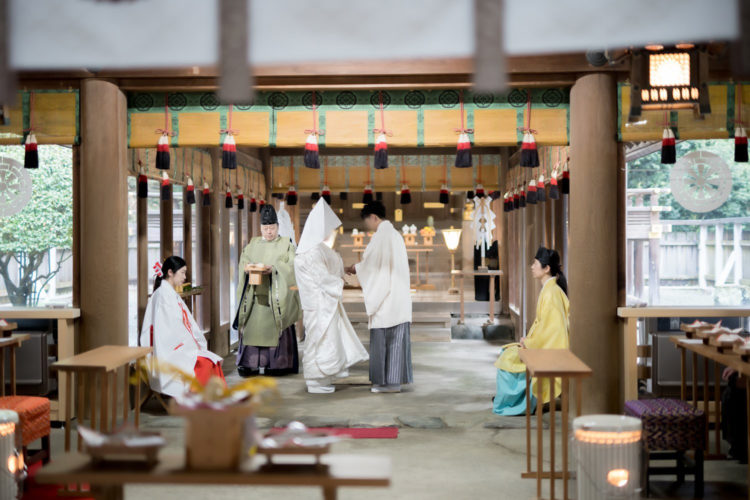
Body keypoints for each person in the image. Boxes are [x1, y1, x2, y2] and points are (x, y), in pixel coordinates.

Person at [295, 199, 369, 393]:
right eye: (328, 228)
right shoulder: (310, 251)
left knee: (328, 338)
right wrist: (340, 281)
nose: (330, 233)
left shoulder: (316, 247)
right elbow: (321, 278)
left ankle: (324, 377)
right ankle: (315, 379)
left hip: (324, 302)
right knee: (318, 339)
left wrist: (341, 272)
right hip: (318, 303)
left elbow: (331, 266)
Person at [345, 201, 412, 393]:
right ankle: (395, 382)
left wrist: (355, 268)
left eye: (367, 221)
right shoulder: (395, 235)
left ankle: (386, 383)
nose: (368, 226)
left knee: (385, 338)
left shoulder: (382, 237)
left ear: (374, 217)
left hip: (386, 297)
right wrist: (360, 268)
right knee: (397, 339)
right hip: (398, 295)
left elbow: (371, 265)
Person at [493, 246, 569, 415]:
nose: (532, 267)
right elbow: (544, 326)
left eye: (535, 263)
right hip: (540, 343)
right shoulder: (550, 289)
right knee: (506, 351)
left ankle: (514, 402)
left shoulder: (551, 293)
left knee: (508, 356)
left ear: (546, 268)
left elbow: (552, 331)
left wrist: (528, 342)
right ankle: (510, 398)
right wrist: (527, 340)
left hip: (548, 349)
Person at [140, 256, 225, 398]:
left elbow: (182, 324)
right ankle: (199, 400)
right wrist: (188, 345)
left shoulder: (170, 293)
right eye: (183, 273)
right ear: (170, 272)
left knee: (212, 360)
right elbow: (165, 332)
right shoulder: (162, 296)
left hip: (176, 345)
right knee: (205, 362)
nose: (185, 277)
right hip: (166, 350)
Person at [235, 203, 302, 377]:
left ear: (278, 227)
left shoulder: (286, 244)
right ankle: (250, 365)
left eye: (272, 228)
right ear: (260, 228)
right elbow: (243, 261)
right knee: (253, 329)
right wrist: (248, 267)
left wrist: (275, 269)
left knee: (275, 328)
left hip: (276, 298)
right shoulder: (253, 244)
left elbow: (292, 265)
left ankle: (277, 365)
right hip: (255, 297)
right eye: (265, 228)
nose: (269, 232)